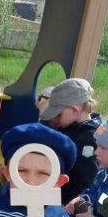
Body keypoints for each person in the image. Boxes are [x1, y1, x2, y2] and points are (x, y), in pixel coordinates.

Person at [39, 77, 102, 205]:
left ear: (74, 110)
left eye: (58, 114)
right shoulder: (67, 126)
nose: (54, 119)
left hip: (65, 201)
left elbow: (85, 179)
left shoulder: (90, 138)